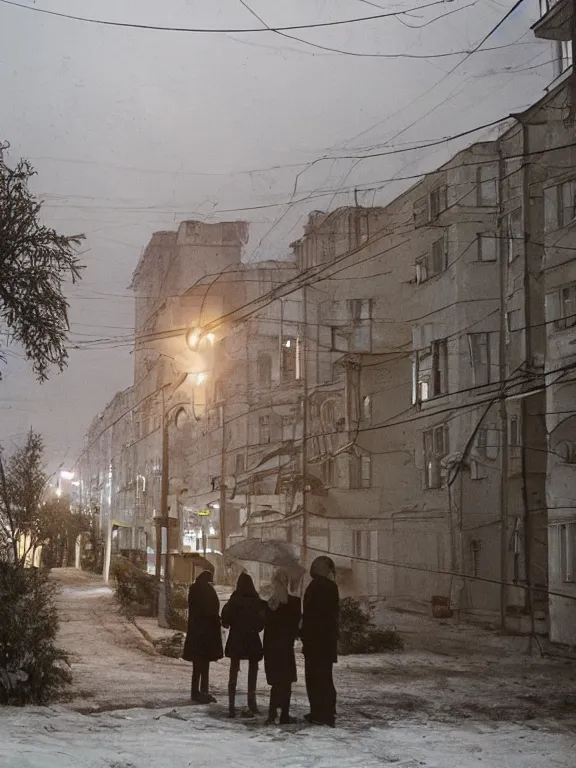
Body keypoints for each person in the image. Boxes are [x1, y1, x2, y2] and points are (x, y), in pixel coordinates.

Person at [300, 556, 339, 727]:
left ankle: (318, 712)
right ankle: (328, 712)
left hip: (314, 642)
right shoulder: (332, 587)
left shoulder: (313, 587)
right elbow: (333, 615)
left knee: (314, 679)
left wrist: (303, 633)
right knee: (326, 678)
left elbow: (308, 614)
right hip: (327, 641)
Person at [221, 572, 265, 718]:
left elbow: (225, 621)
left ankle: (231, 706)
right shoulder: (256, 601)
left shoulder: (233, 601)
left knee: (233, 671)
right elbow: (261, 624)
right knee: (253, 671)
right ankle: (252, 703)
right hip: (252, 639)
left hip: (236, 639)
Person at [263, 569, 301, 725]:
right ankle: (284, 714)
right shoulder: (294, 602)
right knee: (286, 681)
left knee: (276, 682)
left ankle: (272, 714)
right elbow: (295, 626)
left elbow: (266, 625)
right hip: (285, 647)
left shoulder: (270, 603)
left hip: (272, 647)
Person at [182, 569, 223, 704]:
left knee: (196, 665)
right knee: (205, 665)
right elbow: (214, 610)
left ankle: (195, 692)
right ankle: (203, 691)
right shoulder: (209, 591)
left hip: (195, 633)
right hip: (207, 634)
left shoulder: (193, 590)